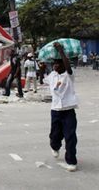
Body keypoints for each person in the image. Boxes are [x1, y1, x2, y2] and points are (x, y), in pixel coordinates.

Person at [43, 42, 79, 172]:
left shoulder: (69, 75)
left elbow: (68, 67)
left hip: (68, 110)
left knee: (70, 137)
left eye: (58, 64)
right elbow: (43, 72)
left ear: (63, 64)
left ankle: (71, 161)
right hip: (55, 111)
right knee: (55, 135)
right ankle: (55, 146)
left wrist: (61, 50)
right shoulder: (52, 75)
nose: (55, 66)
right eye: (54, 64)